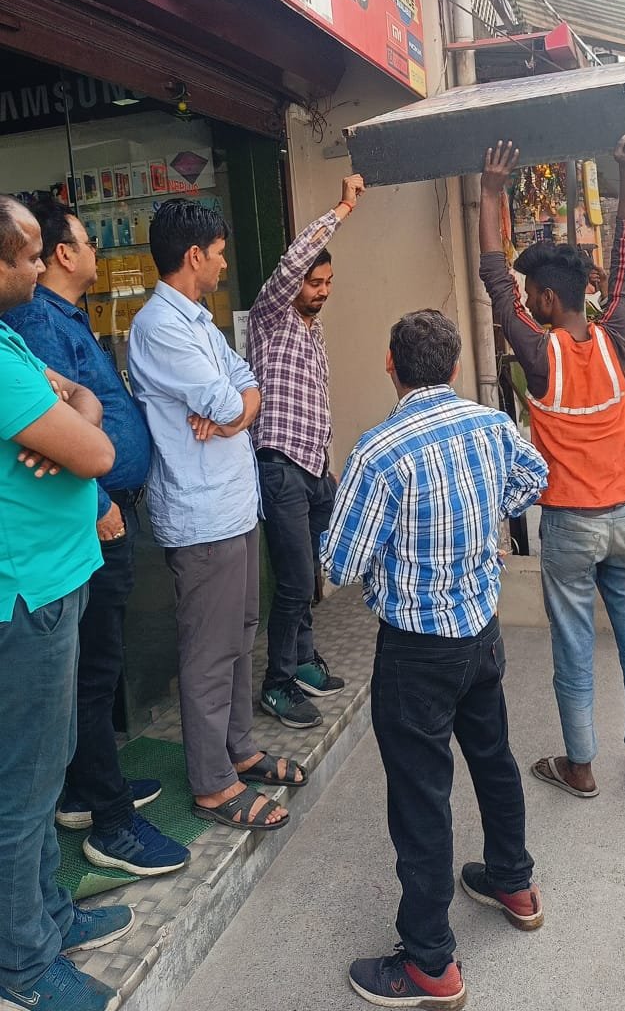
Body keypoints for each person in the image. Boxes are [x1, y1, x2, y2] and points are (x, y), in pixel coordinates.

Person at [320, 309, 548, 1009]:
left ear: (391, 365)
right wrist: (483, 520)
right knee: (493, 758)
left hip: (416, 651)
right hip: (481, 632)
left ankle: (429, 962)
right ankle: (513, 882)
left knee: (421, 797)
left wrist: (394, 550)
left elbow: (340, 563)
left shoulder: (378, 453)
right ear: (452, 367)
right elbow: (534, 477)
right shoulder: (491, 426)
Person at [4, 199, 188, 878]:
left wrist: (79, 413)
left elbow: (79, 405)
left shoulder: (48, 323)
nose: (96, 254)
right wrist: (101, 500)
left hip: (82, 532)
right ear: (61, 254)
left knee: (93, 675)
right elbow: (84, 444)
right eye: (85, 243)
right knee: (88, 682)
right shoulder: (33, 322)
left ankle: (92, 789)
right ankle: (109, 821)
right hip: (74, 537)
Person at [479, 137, 625, 797]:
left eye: (533, 294)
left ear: (548, 300)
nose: (527, 301)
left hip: (569, 526)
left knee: (575, 647)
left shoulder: (538, 355)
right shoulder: (614, 337)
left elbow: (493, 279)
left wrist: (492, 191)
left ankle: (580, 766)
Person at [128, 199, 304, 834]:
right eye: (220, 253)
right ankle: (211, 782)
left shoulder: (198, 319)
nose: (225, 264)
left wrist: (237, 410)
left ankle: (237, 747)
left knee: (240, 633)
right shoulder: (159, 326)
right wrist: (235, 409)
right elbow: (226, 399)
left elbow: (244, 388)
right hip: (201, 516)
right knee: (208, 650)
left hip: (234, 505)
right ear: (194, 255)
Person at [0, 194, 135, 1011]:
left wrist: (72, 414)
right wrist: (75, 428)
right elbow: (98, 449)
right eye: (22, 257)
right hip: (26, 597)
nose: (35, 267)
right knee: (23, 788)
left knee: (43, 773)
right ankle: (23, 960)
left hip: (51, 583)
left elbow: (83, 410)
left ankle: (48, 915)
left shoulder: (11, 339)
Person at [247, 174, 365, 729]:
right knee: (294, 580)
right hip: (280, 469)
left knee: (312, 570)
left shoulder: (312, 332)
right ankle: (276, 683)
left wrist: (327, 465)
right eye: (314, 282)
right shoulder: (272, 318)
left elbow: (314, 402)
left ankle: (302, 659)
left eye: (328, 281)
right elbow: (293, 260)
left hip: (314, 468)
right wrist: (341, 207)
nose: (322, 290)